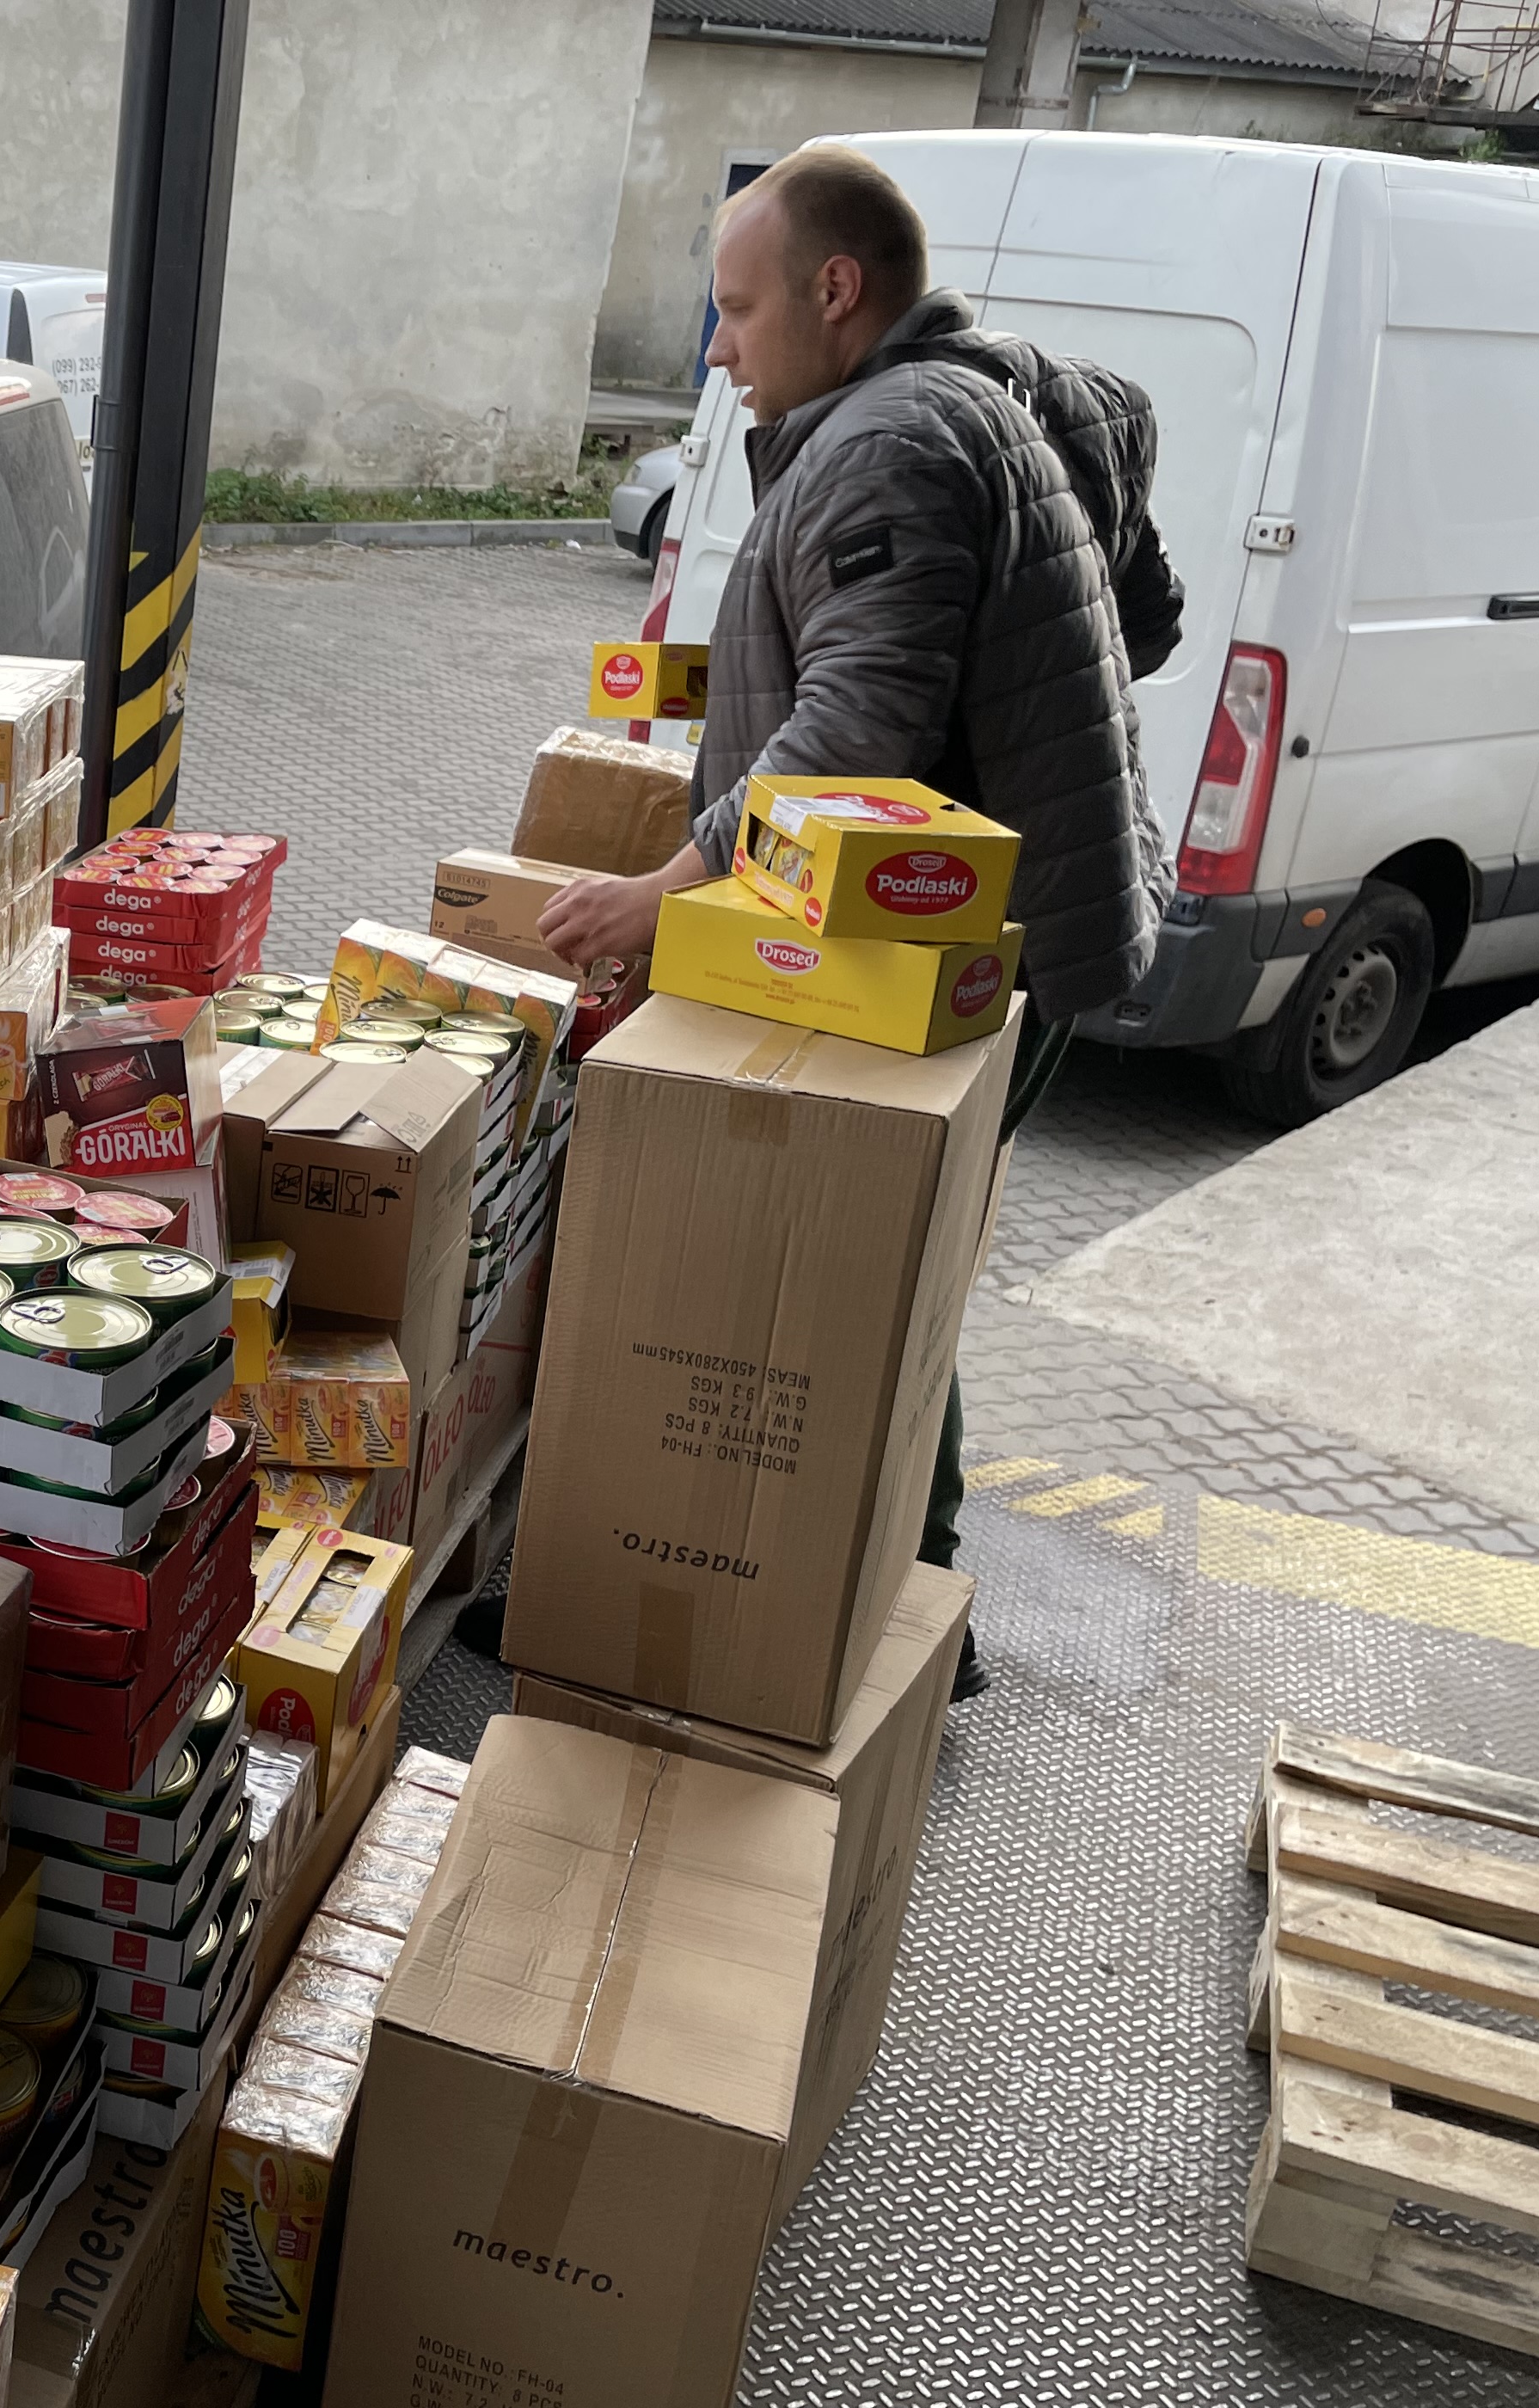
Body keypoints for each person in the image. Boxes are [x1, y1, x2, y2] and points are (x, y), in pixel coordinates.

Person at [541, 143, 1182, 1701]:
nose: (715, 351)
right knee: (904, 1257)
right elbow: (1138, 618)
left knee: (871, 1272)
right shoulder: (1018, 389)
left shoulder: (891, 441)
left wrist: (656, 895)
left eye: (736, 310)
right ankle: (882, 1582)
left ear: (839, 293)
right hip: (1008, 926)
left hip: (955, 949)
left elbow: (855, 729)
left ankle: (875, 1603)